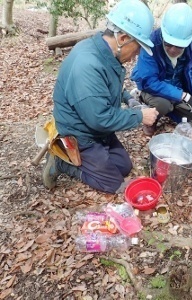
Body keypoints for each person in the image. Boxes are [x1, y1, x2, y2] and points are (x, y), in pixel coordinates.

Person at [42, 0, 159, 194]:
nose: (136, 55)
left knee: (123, 166)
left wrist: (127, 98)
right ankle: (63, 164)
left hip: (95, 127)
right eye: (137, 48)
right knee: (113, 184)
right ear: (122, 38)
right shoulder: (87, 65)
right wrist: (140, 117)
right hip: (80, 132)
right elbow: (100, 119)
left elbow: (105, 88)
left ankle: (95, 159)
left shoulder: (104, 53)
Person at [130, 3, 192, 137]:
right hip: (153, 89)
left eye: (179, 46)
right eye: (168, 44)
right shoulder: (151, 43)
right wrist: (183, 96)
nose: (173, 50)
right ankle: (150, 118)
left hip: (178, 88)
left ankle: (173, 109)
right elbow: (149, 81)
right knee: (163, 104)